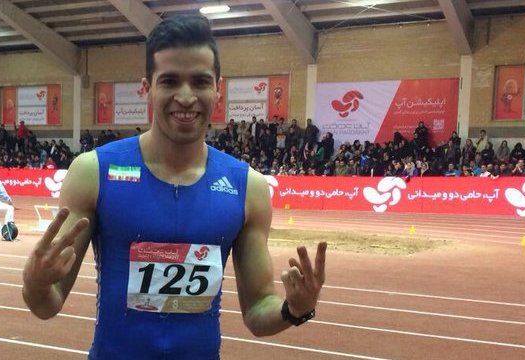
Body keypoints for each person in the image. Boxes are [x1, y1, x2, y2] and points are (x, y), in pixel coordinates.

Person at [21, 15, 326, 359]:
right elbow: (47, 305)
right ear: (146, 88)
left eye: (199, 81)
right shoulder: (93, 172)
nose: (185, 96)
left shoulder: (248, 188)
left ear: (217, 89)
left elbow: (258, 312)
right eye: (169, 81)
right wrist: (34, 282)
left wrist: (294, 309)